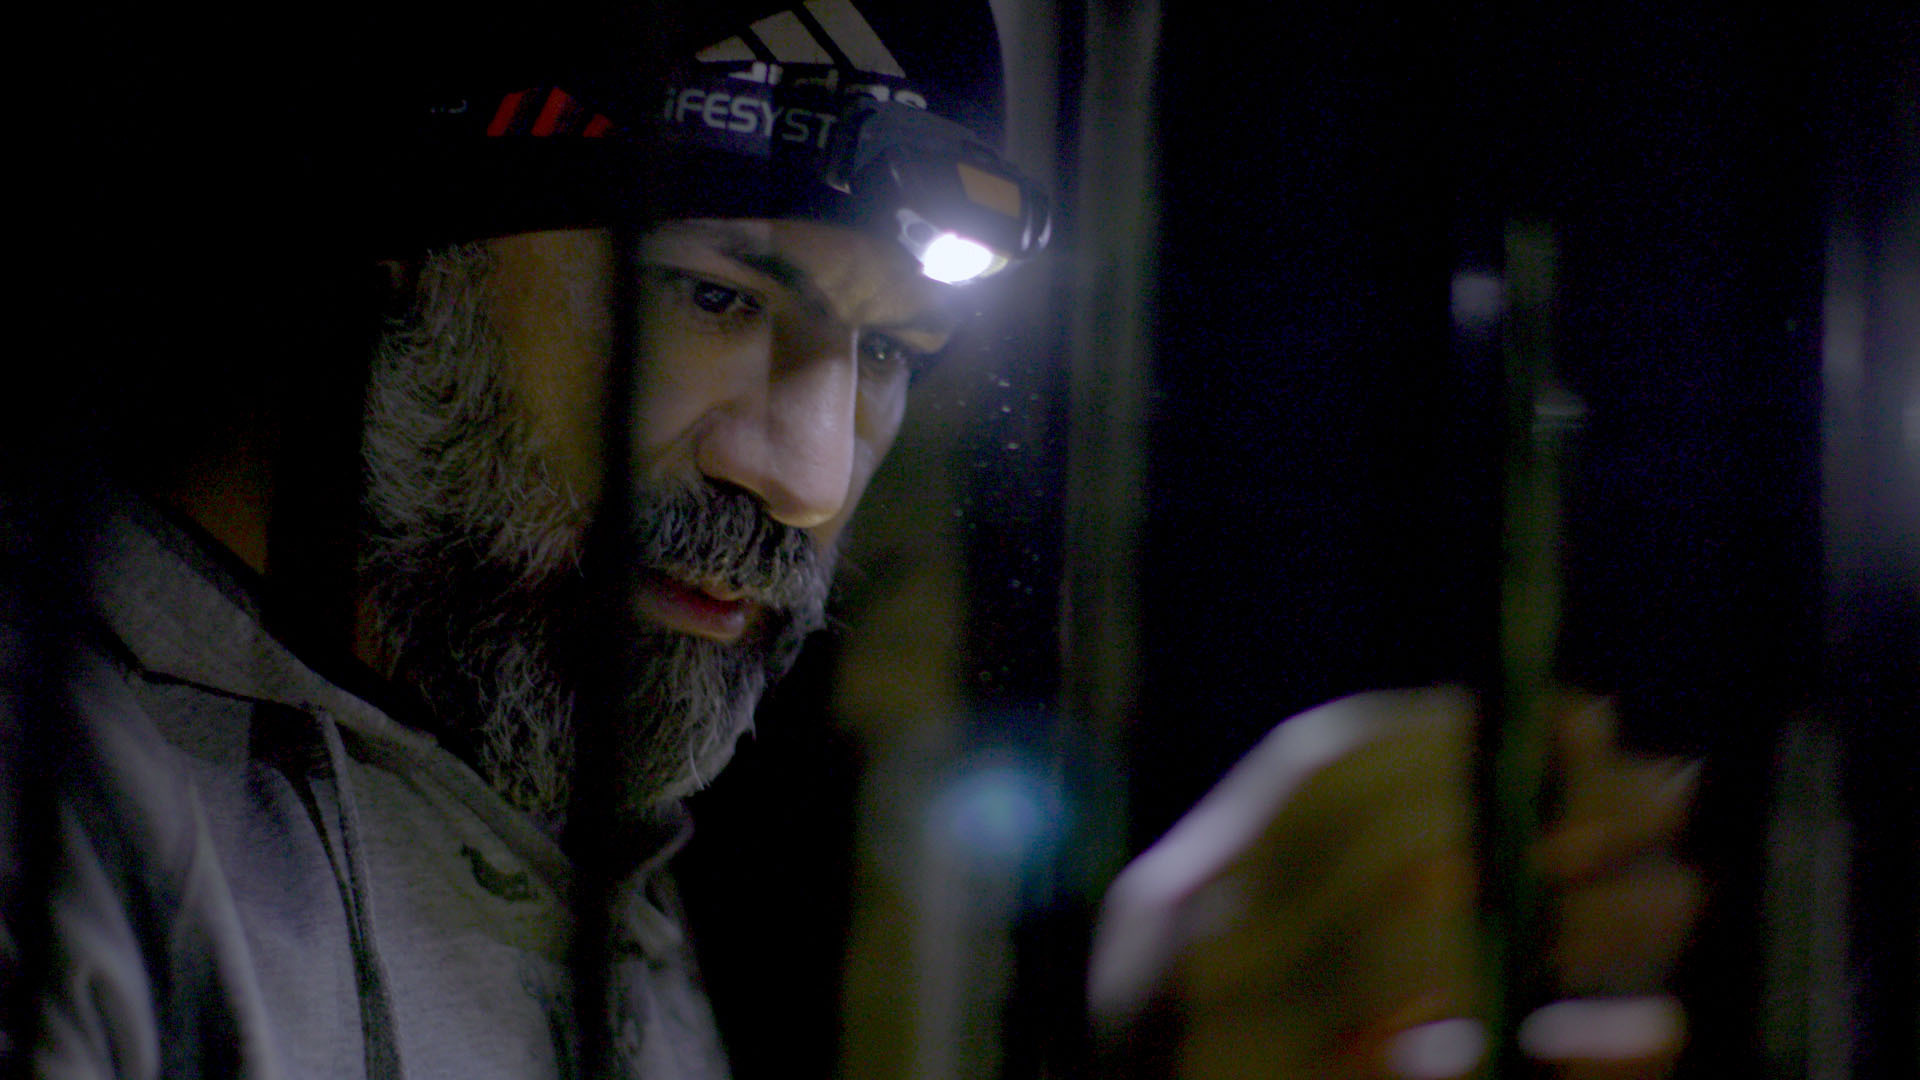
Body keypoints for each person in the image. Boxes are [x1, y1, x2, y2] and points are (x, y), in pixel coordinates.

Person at [2, 2, 1694, 1077]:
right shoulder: (62, 824)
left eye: (889, 353)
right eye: (714, 296)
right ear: (409, 235)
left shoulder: (573, 852)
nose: (810, 475)